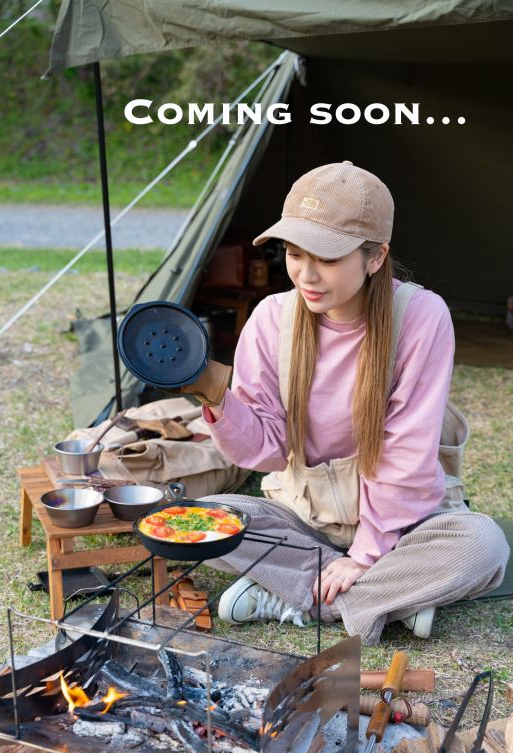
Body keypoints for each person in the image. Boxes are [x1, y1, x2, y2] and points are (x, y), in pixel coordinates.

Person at [179, 161, 509, 645]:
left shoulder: (420, 316)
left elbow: (407, 452)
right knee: (204, 519)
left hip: (404, 527)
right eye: (294, 253)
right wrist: (215, 396)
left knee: (484, 545)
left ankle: (298, 597)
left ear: (375, 257)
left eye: (327, 258)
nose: (306, 275)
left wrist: (368, 554)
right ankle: (393, 601)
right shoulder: (272, 318)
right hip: (306, 519)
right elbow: (269, 451)